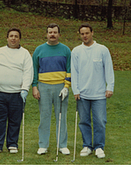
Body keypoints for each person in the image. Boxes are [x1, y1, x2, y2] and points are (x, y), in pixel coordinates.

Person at [0, 28, 33, 155]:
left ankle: (12, 144)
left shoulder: (25, 53)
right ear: (7, 38)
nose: (13, 38)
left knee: (15, 120)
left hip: (17, 94)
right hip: (0, 93)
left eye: (16, 36)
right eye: (11, 36)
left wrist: (25, 89)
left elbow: (28, 72)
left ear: (19, 39)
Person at [71, 23, 114, 159]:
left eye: (87, 33)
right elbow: (74, 71)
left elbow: (108, 69)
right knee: (84, 121)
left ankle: (99, 146)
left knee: (100, 121)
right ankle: (87, 146)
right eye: (82, 33)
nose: (85, 36)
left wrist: (110, 87)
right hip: (82, 94)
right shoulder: (76, 51)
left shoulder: (102, 49)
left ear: (92, 33)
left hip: (99, 94)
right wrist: (75, 90)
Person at [32, 23, 71, 155]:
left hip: (61, 86)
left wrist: (66, 86)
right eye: (50, 32)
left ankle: (62, 145)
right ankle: (43, 145)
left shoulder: (66, 50)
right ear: (46, 34)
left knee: (61, 116)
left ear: (59, 34)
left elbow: (69, 70)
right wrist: (34, 87)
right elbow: (34, 70)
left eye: (55, 32)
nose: (52, 34)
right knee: (45, 116)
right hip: (43, 87)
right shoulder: (39, 50)